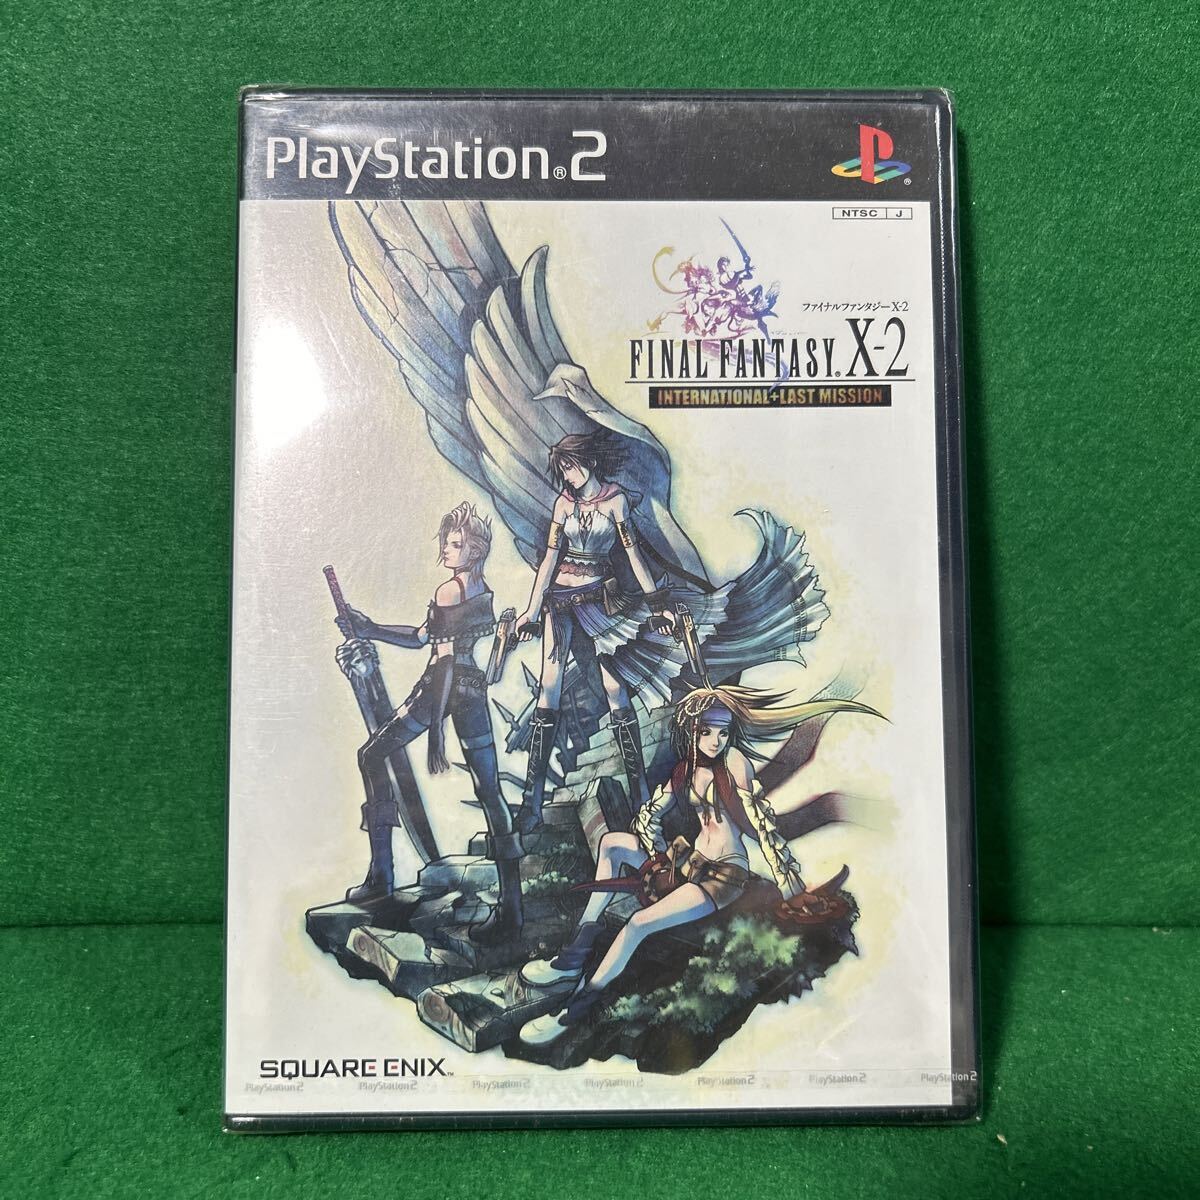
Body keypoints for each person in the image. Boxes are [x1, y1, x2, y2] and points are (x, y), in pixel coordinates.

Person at [517, 684, 878, 1045]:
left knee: (637, 924)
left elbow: (761, 826)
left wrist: (790, 886)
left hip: (722, 877)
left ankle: (575, 1009)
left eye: (723, 732)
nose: (715, 741)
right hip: (688, 862)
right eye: (707, 731)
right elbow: (652, 814)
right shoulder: (685, 770)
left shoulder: (733, 763)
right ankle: (572, 960)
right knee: (612, 844)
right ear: (692, 729)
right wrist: (655, 852)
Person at [336, 502, 523, 944]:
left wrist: (436, 731)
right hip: (472, 690)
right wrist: (370, 628)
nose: (446, 550)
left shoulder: (448, 591)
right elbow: (425, 637)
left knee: (371, 755)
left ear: (475, 550)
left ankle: (381, 875)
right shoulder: (481, 590)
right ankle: (512, 909)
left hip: (442, 689)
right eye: (446, 542)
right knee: (490, 790)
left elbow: (441, 662)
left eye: (456, 544)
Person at [513, 431, 679, 833]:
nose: (568, 476)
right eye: (563, 471)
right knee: (548, 688)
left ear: (588, 461)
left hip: (601, 603)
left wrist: (656, 603)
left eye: (571, 467)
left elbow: (633, 554)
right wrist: (531, 611)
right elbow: (550, 558)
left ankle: (640, 791)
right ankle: (531, 802)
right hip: (559, 604)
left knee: (614, 689)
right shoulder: (563, 504)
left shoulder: (616, 500)